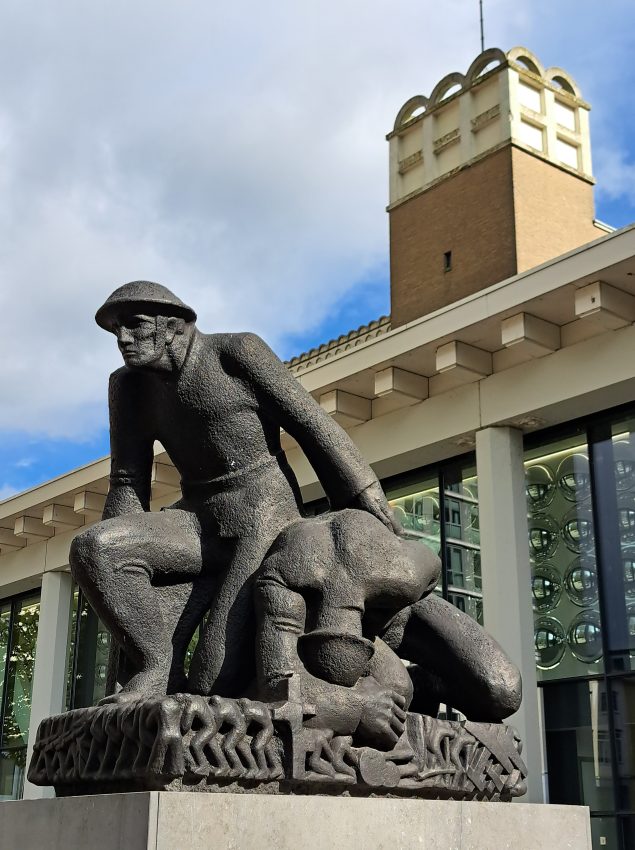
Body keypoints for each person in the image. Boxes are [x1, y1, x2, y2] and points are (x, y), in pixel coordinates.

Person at [70, 281, 411, 702]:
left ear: (174, 325)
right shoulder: (127, 386)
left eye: (135, 325)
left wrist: (364, 500)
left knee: (213, 677)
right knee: (96, 548)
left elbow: (312, 425)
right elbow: (127, 480)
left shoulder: (236, 352)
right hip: (197, 520)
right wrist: (120, 573)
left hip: (263, 519)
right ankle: (155, 667)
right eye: (116, 330)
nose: (123, 338)